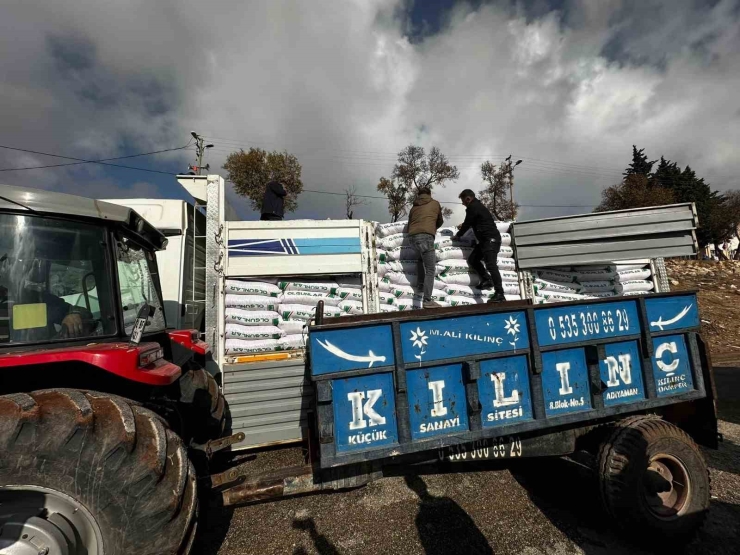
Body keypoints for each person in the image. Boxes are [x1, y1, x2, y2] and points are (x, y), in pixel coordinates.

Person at [454, 189, 506, 303]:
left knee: (491, 265)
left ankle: (500, 293)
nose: (463, 204)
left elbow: (468, 223)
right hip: (484, 241)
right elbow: (473, 222)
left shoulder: (473, 207)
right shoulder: (477, 207)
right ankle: (487, 279)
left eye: (463, 201)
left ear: (468, 198)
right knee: (473, 259)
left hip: (490, 240)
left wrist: (458, 235)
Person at [408, 188, 444, 308]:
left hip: (412, 238)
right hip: (426, 237)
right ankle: (427, 300)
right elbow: (440, 221)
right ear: (429, 194)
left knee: (420, 259)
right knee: (430, 269)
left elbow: (410, 223)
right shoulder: (435, 203)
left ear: (418, 195)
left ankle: (420, 285)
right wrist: (432, 227)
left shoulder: (413, 207)